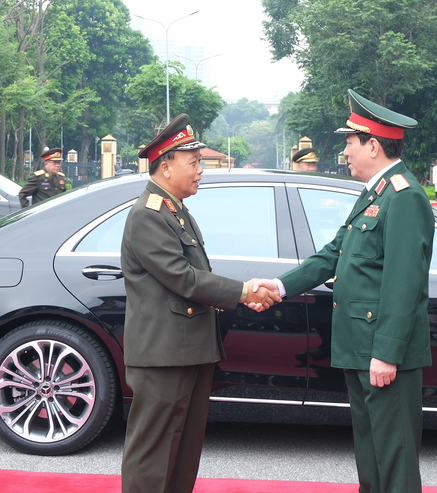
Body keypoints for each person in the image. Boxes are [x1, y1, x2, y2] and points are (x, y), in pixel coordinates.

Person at [251, 89, 434, 493]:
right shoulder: (376, 193)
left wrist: (386, 353)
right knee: (370, 454)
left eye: (350, 143)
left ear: (373, 144)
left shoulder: (403, 198)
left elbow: (404, 284)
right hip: (360, 346)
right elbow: (334, 254)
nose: (345, 152)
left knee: (395, 459)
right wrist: (280, 286)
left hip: (382, 353)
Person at [120, 114, 281, 493]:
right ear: (166, 164)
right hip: (163, 355)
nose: (200, 170)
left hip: (187, 350)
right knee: (154, 451)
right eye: (193, 162)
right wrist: (244, 292)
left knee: (184, 448)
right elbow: (183, 277)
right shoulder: (148, 215)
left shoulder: (176, 209)